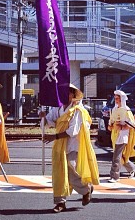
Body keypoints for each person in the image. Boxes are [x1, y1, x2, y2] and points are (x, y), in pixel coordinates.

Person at [40, 84, 99, 213]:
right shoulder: (58, 108)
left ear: (73, 95)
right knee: (59, 173)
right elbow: (50, 120)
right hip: (59, 146)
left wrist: (54, 136)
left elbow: (73, 131)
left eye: (67, 92)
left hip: (73, 145)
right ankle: (60, 202)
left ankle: (86, 189)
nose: (64, 95)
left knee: (72, 172)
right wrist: (43, 117)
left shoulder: (77, 110)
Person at [108, 90, 135, 182]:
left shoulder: (126, 110)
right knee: (121, 156)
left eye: (118, 98)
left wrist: (122, 126)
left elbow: (132, 124)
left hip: (123, 136)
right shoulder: (114, 109)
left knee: (116, 156)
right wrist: (110, 125)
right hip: (115, 134)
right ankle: (132, 167)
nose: (116, 100)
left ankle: (114, 176)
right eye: (115, 98)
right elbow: (112, 120)